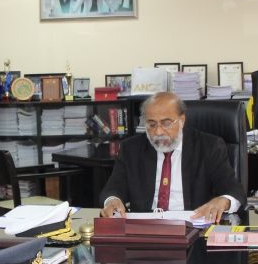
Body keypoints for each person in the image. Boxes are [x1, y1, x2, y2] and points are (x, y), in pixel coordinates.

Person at [100, 92, 246, 222]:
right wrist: (112, 200)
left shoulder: (209, 147)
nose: (158, 132)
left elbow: (234, 190)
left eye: (166, 123)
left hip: (193, 229)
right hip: (145, 230)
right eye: (152, 124)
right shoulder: (131, 148)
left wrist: (224, 201)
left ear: (182, 120)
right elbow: (113, 188)